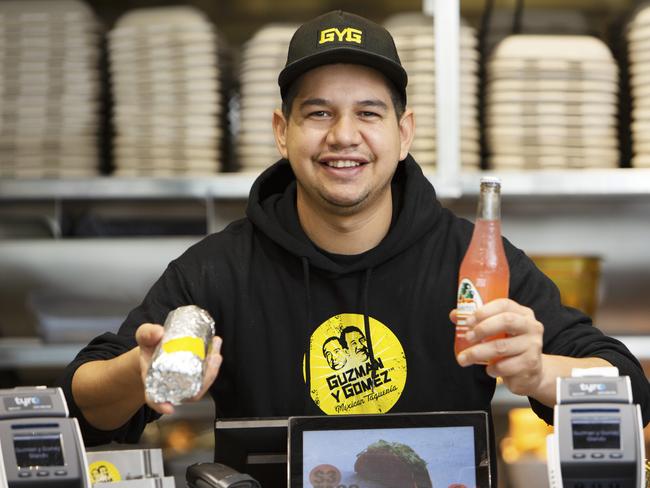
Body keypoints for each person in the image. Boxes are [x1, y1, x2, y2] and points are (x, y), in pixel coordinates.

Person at [60, 9, 649, 473]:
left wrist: (539, 370)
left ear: (404, 131)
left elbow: (630, 391)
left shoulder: (467, 260)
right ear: (281, 130)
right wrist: (136, 372)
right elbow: (82, 408)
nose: (344, 136)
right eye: (318, 113)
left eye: (369, 112)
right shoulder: (218, 269)